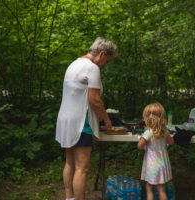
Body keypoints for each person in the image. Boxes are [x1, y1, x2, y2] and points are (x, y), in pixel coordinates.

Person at [56, 37, 117, 200]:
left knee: (70, 162)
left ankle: (69, 198)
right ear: (102, 54)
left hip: (65, 119)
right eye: (107, 61)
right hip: (80, 123)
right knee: (82, 168)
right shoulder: (92, 68)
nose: (105, 65)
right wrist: (106, 119)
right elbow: (95, 100)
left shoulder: (74, 63)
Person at [137, 102, 174, 200]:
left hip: (152, 165)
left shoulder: (148, 133)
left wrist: (141, 138)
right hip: (162, 164)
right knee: (161, 189)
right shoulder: (164, 131)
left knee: (149, 188)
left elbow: (140, 146)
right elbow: (171, 142)